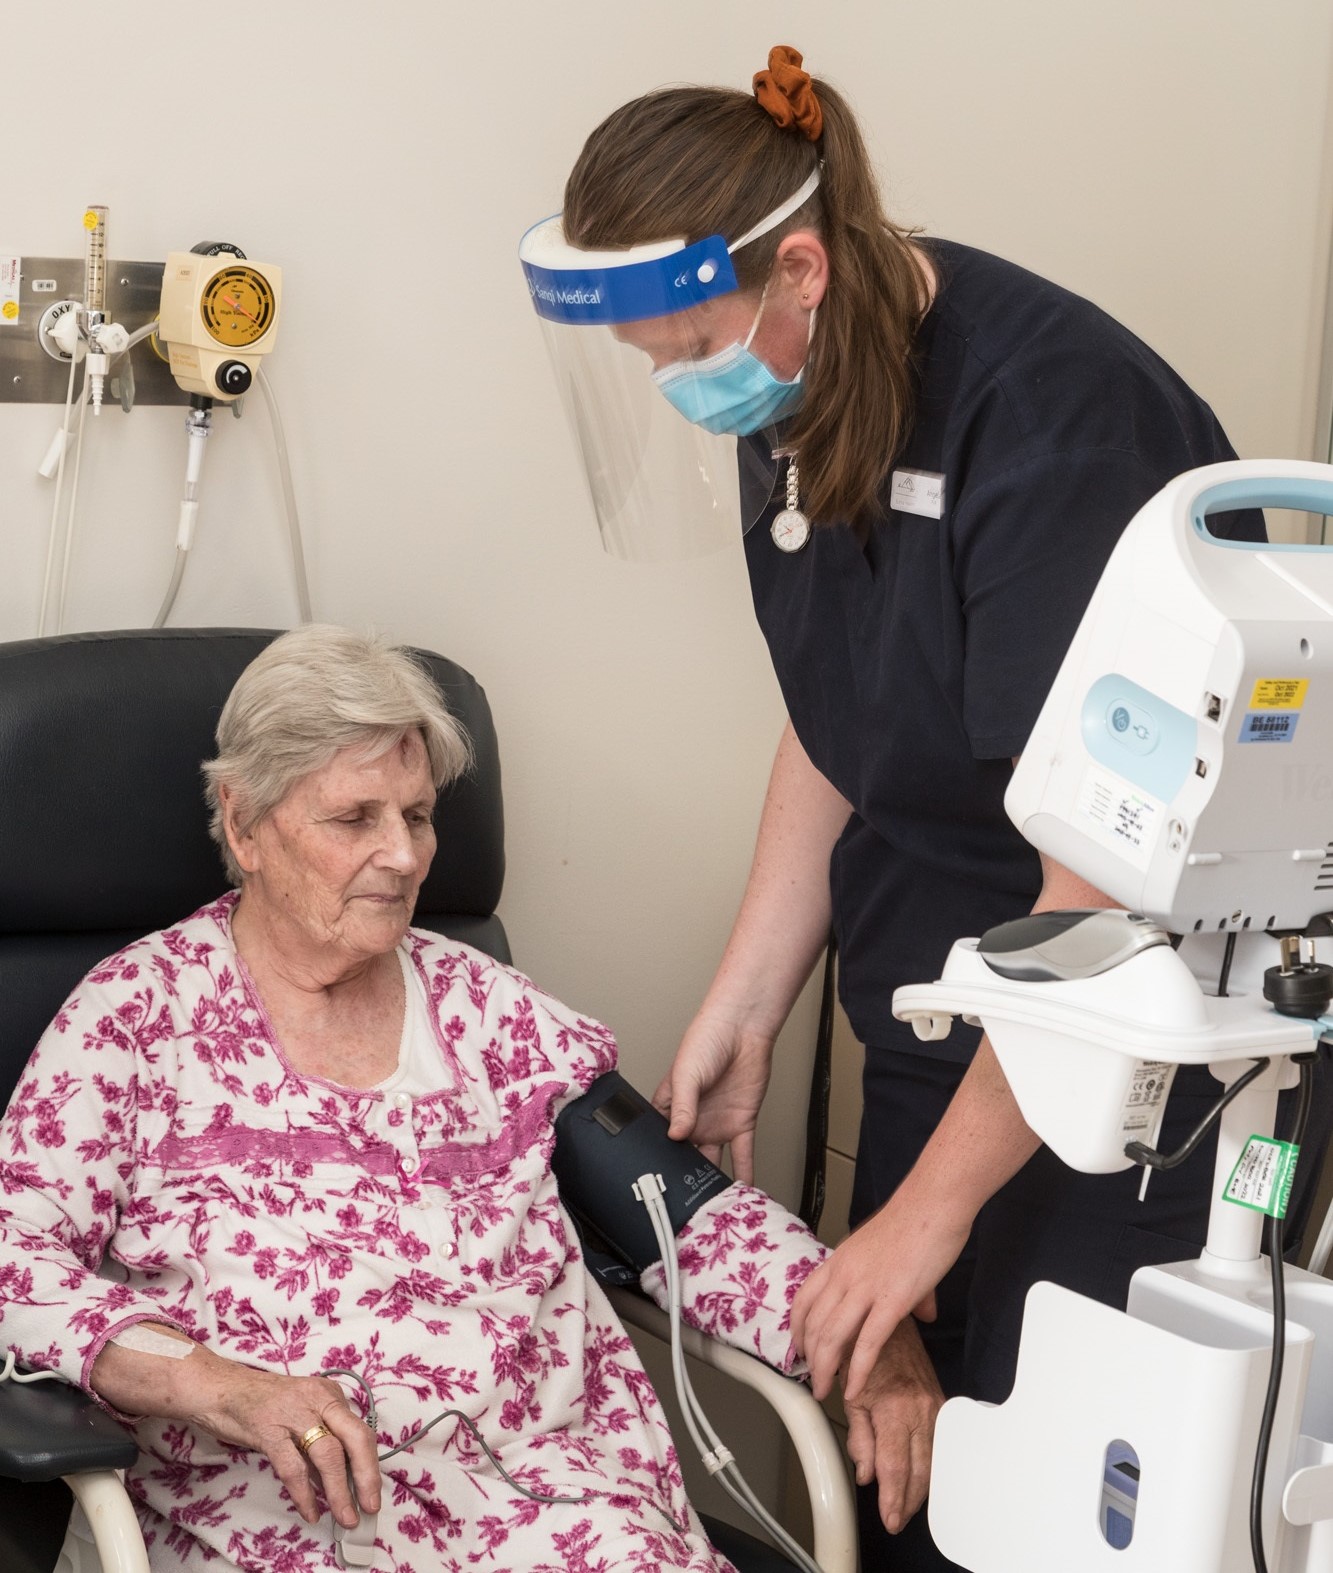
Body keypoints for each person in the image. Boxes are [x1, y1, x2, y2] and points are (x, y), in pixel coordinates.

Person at [521, 44, 1333, 1572]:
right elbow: (841, 710)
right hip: (951, 1009)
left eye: (680, 348)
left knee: (1069, 1488)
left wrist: (923, 1218)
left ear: (803, 270)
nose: (675, 390)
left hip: (1133, 1066)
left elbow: (1094, 896)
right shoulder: (808, 385)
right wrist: (751, 1000)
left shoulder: (1054, 425)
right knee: (910, 1444)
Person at [0, 624, 938, 1573]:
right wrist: (220, 1386)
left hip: (549, 1507)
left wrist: (872, 1329)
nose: (404, 855)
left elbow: (685, 1218)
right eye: (354, 818)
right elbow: (13, 1262)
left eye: (417, 814)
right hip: (267, 1515)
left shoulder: (490, 1011)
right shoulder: (137, 1017)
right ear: (244, 824)